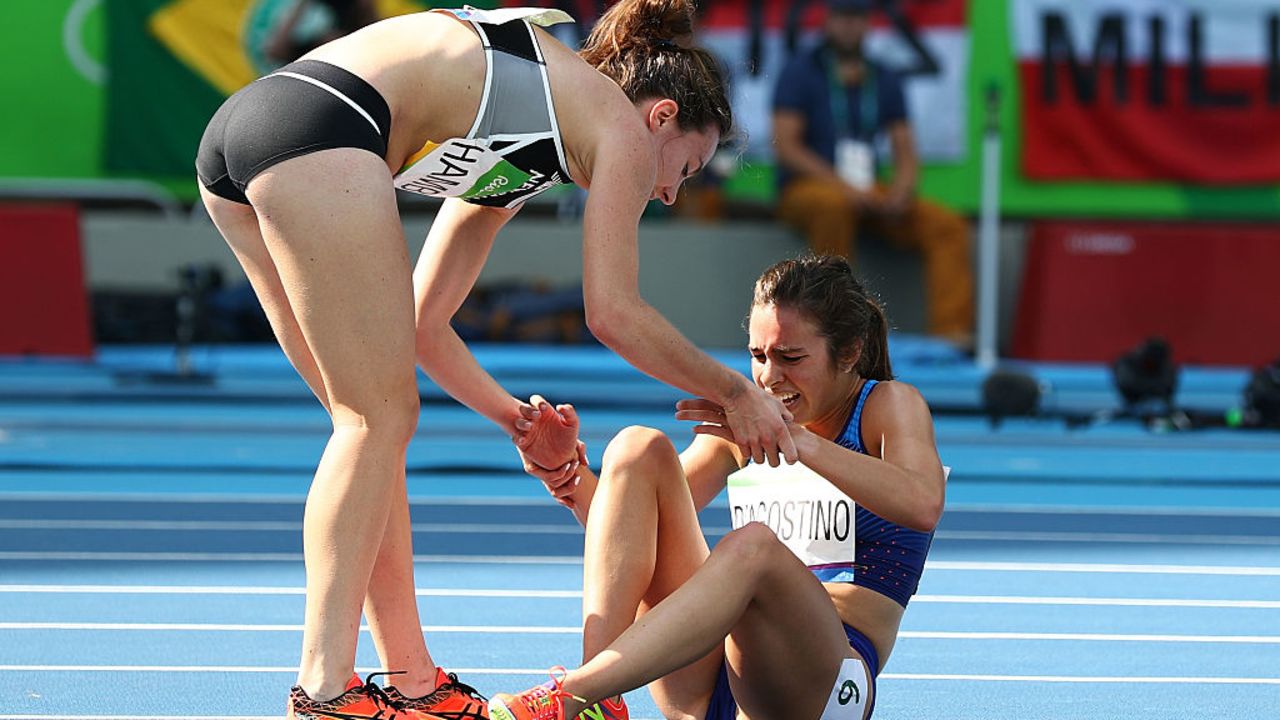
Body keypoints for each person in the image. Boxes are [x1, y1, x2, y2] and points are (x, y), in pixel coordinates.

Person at [194, 1, 797, 718]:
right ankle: (322, 688)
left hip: (245, 134)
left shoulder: (531, 140)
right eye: (686, 168)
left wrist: (516, 421)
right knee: (373, 423)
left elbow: (424, 322)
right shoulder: (617, 126)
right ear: (660, 117)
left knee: (366, 430)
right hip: (319, 123)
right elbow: (613, 314)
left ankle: (413, 682)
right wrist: (737, 392)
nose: (668, 193)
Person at [490, 254, 946, 720]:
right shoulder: (743, 432)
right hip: (716, 680)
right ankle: (597, 702)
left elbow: (923, 503)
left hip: (824, 684)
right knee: (636, 447)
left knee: (754, 547)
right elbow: (631, 535)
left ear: (848, 352)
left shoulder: (887, 405)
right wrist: (564, 474)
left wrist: (795, 441)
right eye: (758, 356)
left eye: (791, 358)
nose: (769, 379)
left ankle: (570, 695)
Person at [771, 0, 974, 347]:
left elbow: (905, 150)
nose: (850, 27)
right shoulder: (800, 71)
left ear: (868, 24)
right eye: (842, 18)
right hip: (810, 189)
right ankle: (835, 331)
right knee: (833, 207)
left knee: (946, 225)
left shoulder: (883, 75)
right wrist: (844, 187)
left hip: (867, 191)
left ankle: (950, 338)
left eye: (858, 19)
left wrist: (901, 191)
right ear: (828, 21)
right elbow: (787, 147)